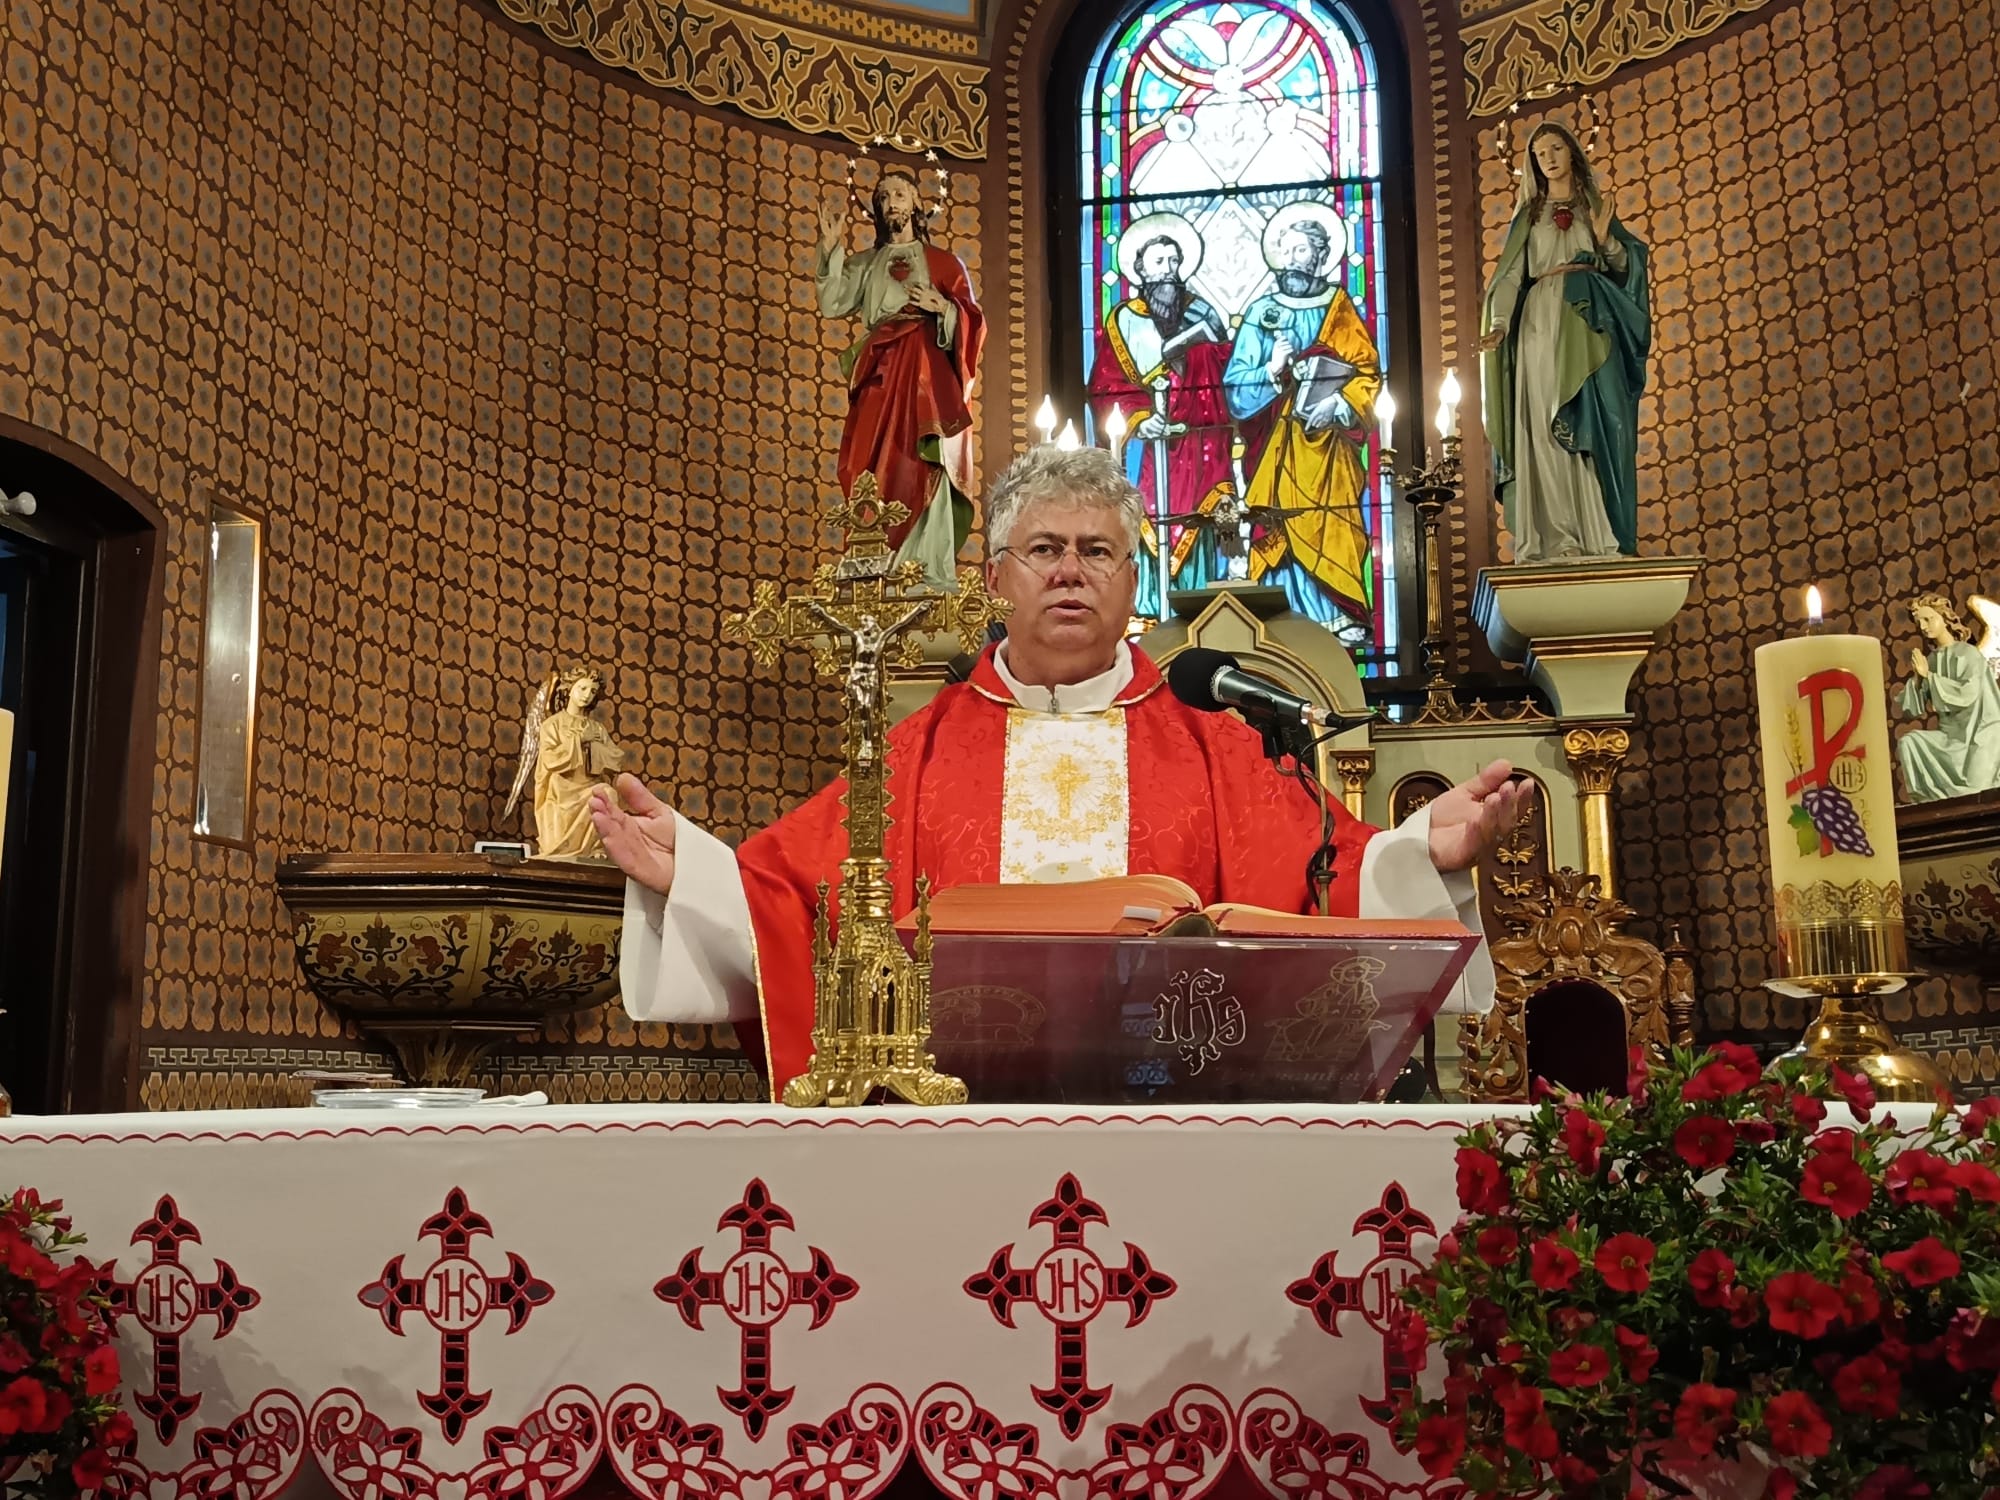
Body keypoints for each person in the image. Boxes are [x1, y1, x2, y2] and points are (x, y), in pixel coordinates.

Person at [592, 446, 1528, 1098]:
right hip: (954, 1124)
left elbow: (1331, 878)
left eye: (1097, 551)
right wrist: (693, 874)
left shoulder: (1217, 748)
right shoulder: (916, 752)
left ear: (1132, 582)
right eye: (1043, 549)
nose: (1070, 572)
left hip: (1177, 1116)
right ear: (995, 579)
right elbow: (795, 897)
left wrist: (1423, 851)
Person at [1479, 123, 1649, 564]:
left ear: (1572, 151)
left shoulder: (1596, 207)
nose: (1549, 158)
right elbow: (1510, 277)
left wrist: (1606, 241)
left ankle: (1601, 533)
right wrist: (1499, 323)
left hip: (1592, 320)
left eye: (1556, 148)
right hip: (1540, 322)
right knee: (1544, 425)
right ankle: (1557, 536)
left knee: (1603, 417)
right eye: (1539, 153)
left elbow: (1625, 269)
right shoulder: (1528, 217)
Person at [816, 171, 986, 591]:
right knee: (869, 460)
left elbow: (974, 325)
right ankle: (876, 563)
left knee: (924, 458)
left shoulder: (944, 263)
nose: (891, 202)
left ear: (915, 204)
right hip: (881, 369)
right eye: (883, 197)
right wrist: (831, 247)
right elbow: (832, 301)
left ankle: (924, 566)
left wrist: (943, 308)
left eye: (899, 194)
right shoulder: (866, 263)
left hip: (927, 376)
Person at [1223, 204, 1383, 630]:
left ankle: (1337, 616)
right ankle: (1279, 623)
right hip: (1275, 448)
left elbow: (1367, 372)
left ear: (1321, 256)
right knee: (1278, 528)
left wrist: (1340, 404)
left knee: (1333, 523)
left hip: (1329, 451)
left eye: (1303, 250)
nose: (1293, 260)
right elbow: (1235, 388)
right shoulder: (1260, 313)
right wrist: (1271, 370)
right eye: (1287, 251)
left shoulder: (1338, 308)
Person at [1086, 214, 1236, 608]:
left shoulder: (1202, 312)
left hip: (1200, 445)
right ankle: (1149, 609)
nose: (1168, 270)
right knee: (1144, 520)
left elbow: (1227, 375)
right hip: (1145, 450)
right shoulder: (1123, 319)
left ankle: (1201, 604)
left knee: (1201, 523)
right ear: (1139, 270)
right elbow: (1106, 386)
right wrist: (1139, 419)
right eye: (1158, 262)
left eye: (1174, 261)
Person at [1896, 593, 2000, 801]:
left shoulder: (1968, 654)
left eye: (1928, 619)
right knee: (1909, 742)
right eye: (1919, 622)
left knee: (1976, 788)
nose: (1923, 626)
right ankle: (1926, 804)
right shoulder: (1931, 660)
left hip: (1980, 734)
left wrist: (1928, 675)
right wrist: (1918, 677)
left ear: (1945, 618)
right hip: (1949, 737)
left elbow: (1967, 694)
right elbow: (1910, 710)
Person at [534, 670, 619, 859]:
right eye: (582, 688)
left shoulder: (597, 728)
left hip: (589, 785)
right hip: (562, 788)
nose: (587, 695)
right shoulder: (552, 724)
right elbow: (549, 758)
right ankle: (561, 847)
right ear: (570, 689)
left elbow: (615, 758)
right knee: (557, 787)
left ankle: (596, 848)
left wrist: (595, 746)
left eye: (592, 691)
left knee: (608, 794)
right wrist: (579, 740)